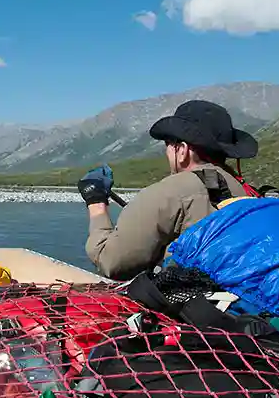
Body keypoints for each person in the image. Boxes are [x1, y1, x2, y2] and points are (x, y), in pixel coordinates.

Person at [81, 99, 259, 281]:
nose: (166, 152)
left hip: (191, 306)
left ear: (182, 150)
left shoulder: (169, 192)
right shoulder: (250, 193)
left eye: (167, 144)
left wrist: (95, 202)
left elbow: (111, 261)